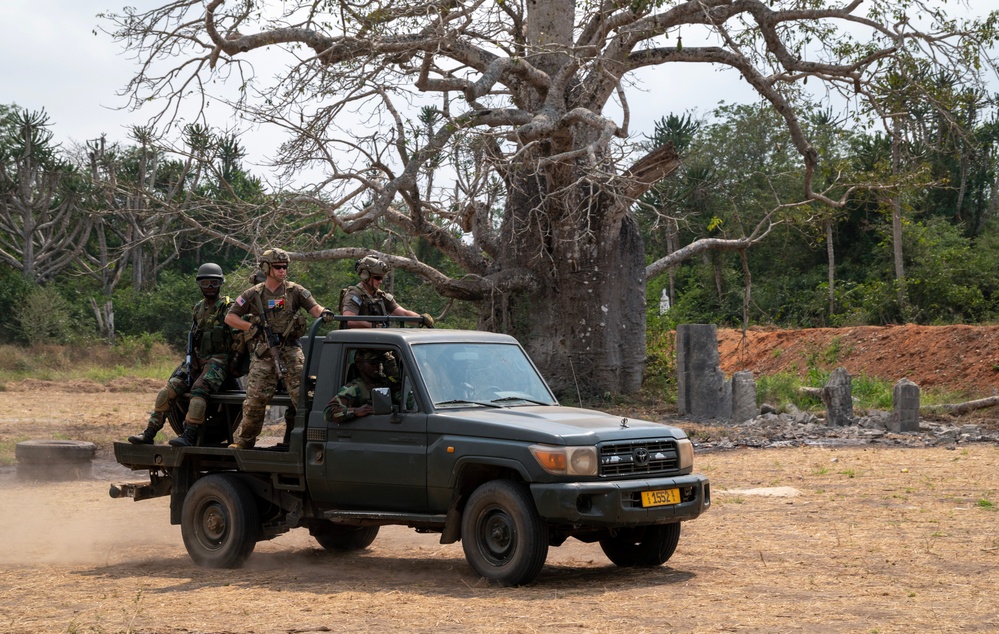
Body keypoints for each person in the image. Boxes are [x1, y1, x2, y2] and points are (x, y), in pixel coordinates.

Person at [224, 248, 335, 449]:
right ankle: (245, 441)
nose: (283, 270)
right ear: (266, 268)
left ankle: (311, 440)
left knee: (303, 398)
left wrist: (325, 313)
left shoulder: (296, 291)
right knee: (255, 399)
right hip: (265, 352)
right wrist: (251, 327)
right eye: (278, 267)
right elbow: (230, 317)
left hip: (291, 351)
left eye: (285, 266)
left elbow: (315, 309)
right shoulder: (252, 294)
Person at [128, 263, 235, 447]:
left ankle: (189, 434)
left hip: (219, 360)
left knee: (199, 389)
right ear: (199, 285)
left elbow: (238, 339)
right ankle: (149, 432)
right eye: (205, 283)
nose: (209, 288)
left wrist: (235, 364)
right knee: (168, 390)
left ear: (220, 284)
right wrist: (191, 359)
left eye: (214, 283)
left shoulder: (227, 307)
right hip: (197, 360)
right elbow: (196, 336)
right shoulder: (197, 308)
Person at [340, 255, 434, 328]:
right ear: (365, 276)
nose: (380, 281)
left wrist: (421, 319)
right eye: (377, 278)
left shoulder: (381, 296)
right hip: (359, 349)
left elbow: (404, 314)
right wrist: (374, 327)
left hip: (379, 345)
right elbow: (349, 320)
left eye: (381, 278)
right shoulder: (354, 295)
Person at [323, 350, 397, 424]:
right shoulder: (355, 388)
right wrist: (355, 411)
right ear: (360, 365)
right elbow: (328, 412)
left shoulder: (385, 383)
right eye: (372, 362)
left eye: (379, 362)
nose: (377, 366)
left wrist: (393, 372)